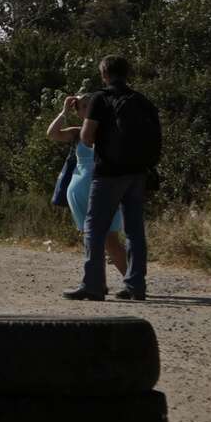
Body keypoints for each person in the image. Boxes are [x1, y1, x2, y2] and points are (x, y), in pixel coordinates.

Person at [65, 54, 160, 301]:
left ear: (104, 74)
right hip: (138, 173)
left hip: (108, 172)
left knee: (94, 227)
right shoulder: (141, 100)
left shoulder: (100, 98)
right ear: (127, 74)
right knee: (134, 230)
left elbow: (87, 137)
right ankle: (135, 286)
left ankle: (93, 285)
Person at [47, 91, 130, 285]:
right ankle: (96, 283)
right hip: (80, 193)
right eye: (83, 106)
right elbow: (52, 134)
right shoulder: (77, 133)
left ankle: (132, 281)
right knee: (92, 238)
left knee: (111, 239)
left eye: (92, 104)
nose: (89, 108)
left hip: (106, 190)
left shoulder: (111, 129)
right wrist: (64, 112)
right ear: (78, 112)